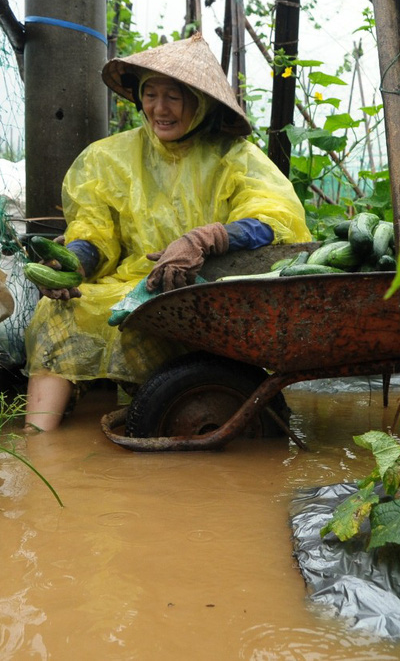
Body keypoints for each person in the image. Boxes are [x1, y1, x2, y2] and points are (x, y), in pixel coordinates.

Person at [23, 32, 312, 431]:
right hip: (129, 284)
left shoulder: (234, 157)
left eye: (174, 97)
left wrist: (203, 240)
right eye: (150, 94)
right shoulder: (108, 158)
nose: (160, 109)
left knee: (175, 316)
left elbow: (275, 220)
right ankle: (39, 442)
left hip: (207, 287)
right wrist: (73, 264)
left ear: (201, 102)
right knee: (58, 312)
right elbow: (94, 232)